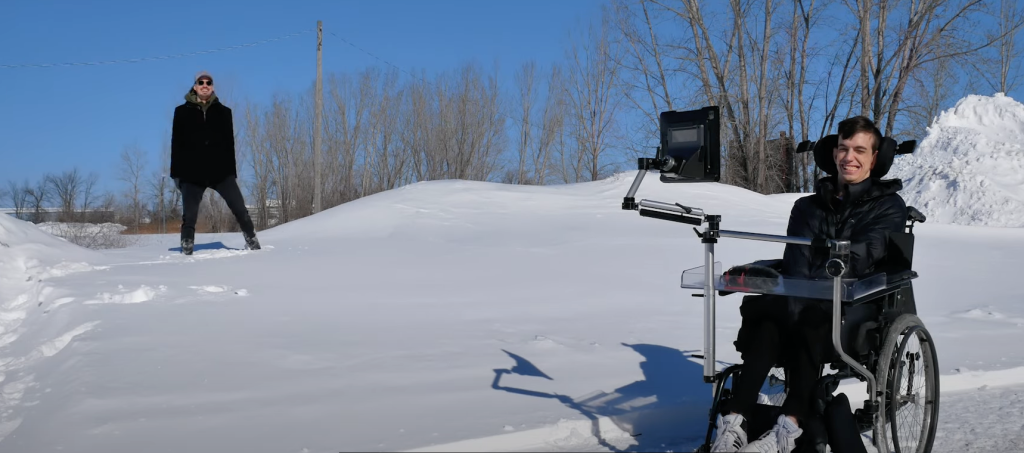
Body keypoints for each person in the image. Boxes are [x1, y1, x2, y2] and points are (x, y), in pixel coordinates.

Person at [710, 116, 908, 452]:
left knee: (812, 318)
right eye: (843, 148)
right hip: (805, 297)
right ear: (833, 154)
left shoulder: (890, 206)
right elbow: (796, 259)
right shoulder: (807, 206)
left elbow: (867, 253)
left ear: (874, 159)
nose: (849, 157)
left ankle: (790, 425)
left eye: (860, 150)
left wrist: (817, 283)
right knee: (771, 317)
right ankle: (735, 423)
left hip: (855, 302)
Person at [170, 70, 260, 255]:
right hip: (191, 173)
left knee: (240, 209)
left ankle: (252, 241)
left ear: (212, 87)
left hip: (220, 172)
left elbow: (230, 144)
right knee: (190, 215)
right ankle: (187, 248)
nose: (205, 85)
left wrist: (232, 173)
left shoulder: (224, 112)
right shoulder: (181, 112)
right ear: (195, 86)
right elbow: (176, 144)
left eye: (208, 83)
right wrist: (176, 175)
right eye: (201, 82)